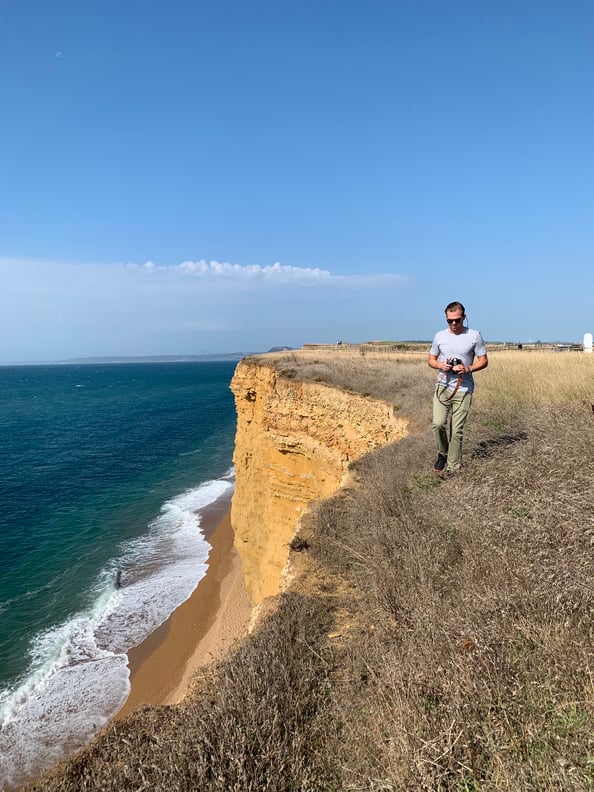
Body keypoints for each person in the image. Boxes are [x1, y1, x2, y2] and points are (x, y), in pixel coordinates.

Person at [428, 301, 488, 475]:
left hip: (463, 388)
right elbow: (430, 360)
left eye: (457, 320)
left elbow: (484, 361)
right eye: (450, 321)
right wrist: (441, 365)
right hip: (442, 387)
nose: (454, 324)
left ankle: (453, 468)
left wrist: (467, 368)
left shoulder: (474, 336)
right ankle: (443, 454)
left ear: (464, 317)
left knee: (457, 429)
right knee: (438, 424)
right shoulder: (439, 336)